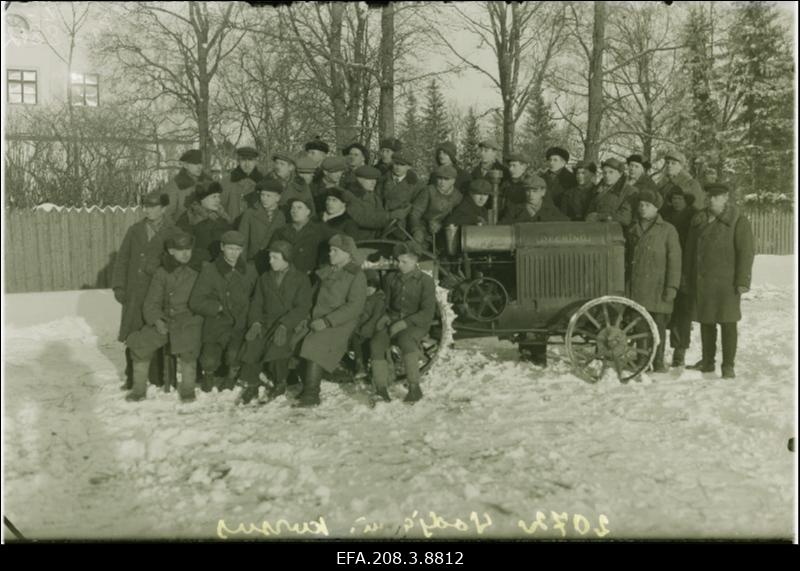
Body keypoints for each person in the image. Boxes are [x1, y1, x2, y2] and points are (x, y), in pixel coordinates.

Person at [682, 183, 754, 378]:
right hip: (703, 280)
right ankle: (707, 362)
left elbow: (746, 253)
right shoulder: (698, 220)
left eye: (716, 196)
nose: (711, 199)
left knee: (728, 323)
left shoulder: (738, 221)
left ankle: (728, 365)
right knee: (706, 321)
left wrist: (742, 281)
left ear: (725, 198)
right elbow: (689, 252)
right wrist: (686, 277)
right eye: (709, 196)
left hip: (726, 283)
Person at [124, 230, 203, 402]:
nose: (185, 254)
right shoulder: (162, 273)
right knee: (139, 345)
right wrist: (157, 320)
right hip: (165, 320)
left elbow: (201, 302)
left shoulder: (196, 272)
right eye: (180, 250)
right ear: (171, 251)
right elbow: (151, 303)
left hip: (187, 321)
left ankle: (188, 389)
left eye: (188, 249)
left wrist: (191, 320)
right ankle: (138, 389)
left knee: (189, 351)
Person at [112, 191, 176, 390]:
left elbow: (177, 262)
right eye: (145, 206)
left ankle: (157, 376)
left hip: (158, 292)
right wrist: (119, 286)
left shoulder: (173, 231)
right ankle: (132, 375)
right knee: (133, 332)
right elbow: (122, 259)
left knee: (157, 330)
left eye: (153, 206)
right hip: (135, 291)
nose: (147, 210)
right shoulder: (135, 230)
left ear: (163, 208)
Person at [296, 234, 367, 407]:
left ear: (347, 253)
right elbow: (312, 298)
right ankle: (306, 384)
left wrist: (327, 321)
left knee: (316, 342)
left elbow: (354, 307)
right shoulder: (328, 270)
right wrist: (305, 317)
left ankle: (312, 394)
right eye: (330, 250)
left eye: (335, 250)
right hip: (318, 317)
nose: (330, 254)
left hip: (341, 321)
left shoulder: (356, 274)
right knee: (295, 338)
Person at [238, 240, 313, 404]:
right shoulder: (265, 278)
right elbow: (257, 303)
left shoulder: (301, 279)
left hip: (290, 322)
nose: (270, 261)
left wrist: (286, 324)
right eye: (270, 257)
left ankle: (280, 383)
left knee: (280, 344)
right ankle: (252, 383)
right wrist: (256, 322)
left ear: (286, 259)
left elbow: (302, 307)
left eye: (275, 258)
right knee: (254, 342)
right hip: (266, 320)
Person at [188, 230, 258, 392]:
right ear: (222, 247)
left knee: (235, 355)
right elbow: (196, 301)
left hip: (240, 322)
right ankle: (208, 375)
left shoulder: (249, 270)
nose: (233, 253)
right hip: (217, 322)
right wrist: (217, 308)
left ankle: (231, 378)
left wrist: (250, 314)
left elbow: (257, 297)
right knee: (209, 359)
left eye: (237, 249)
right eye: (230, 248)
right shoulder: (210, 270)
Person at [370, 242, 436, 403]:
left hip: (417, 323)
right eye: (398, 261)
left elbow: (427, 313)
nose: (399, 265)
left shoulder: (425, 281)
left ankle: (414, 388)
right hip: (392, 320)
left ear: (415, 262)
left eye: (404, 262)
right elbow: (384, 302)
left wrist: (404, 323)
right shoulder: (390, 279)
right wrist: (384, 316)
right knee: (376, 343)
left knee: (406, 340)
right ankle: (381, 390)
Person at [625, 189, 682, 373]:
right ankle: (642, 359)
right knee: (640, 325)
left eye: (647, 205)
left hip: (659, 287)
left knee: (658, 326)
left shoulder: (667, 230)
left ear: (656, 208)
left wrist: (672, 287)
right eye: (641, 205)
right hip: (637, 286)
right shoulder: (632, 229)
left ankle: (657, 361)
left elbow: (675, 261)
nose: (643, 208)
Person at [661, 188, 695, 366]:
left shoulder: (693, 217)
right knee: (667, 310)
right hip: (668, 264)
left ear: (686, 201)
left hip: (686, 267)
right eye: (673, 198)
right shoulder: (665, 216)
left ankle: (679, 351)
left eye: (680, 198)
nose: (676, 201)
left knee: (683, 312)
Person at [271, 198, 334, 275]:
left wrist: (322, 269)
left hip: (309, 278)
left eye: (299, 207)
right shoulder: (280, 231)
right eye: (293, 208)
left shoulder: (320, 230)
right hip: (284, 276)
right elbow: (272, 254)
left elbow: (341, 242)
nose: (295, 211)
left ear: (308, 212)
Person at [177, 181, 234, 264]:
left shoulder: (223, 217)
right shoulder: (189, 217)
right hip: (197, 264)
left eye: (218, 196)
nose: (218, 200)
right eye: (214, 197)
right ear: (202, 199)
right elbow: (183, 247)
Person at [238, 178, 287, 275]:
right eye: (262, 195)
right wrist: (242, 265)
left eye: (268, 195)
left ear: (277, 198)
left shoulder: (281, 216)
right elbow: (242, 240)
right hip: (252, 263)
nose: (264, 198)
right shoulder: (250, 213)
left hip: (272, 265)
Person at [410, 164, 463, 250]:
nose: (442, 182)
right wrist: (416, 229)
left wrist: (441, 225)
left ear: (453, 181)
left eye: (446, 179)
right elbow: (415, 213)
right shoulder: (428, 191)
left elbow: (457, 218)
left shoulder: (458, 197)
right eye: (440, 178)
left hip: (444, 232)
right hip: (424, 229)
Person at [342, 165, 395, 240]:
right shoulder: (349, 195)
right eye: (369, 179)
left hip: (373, 238)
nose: (373, 182)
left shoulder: (374, 197)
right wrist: (389, 216)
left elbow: (380, 213)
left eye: (375, 179)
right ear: (359, 179)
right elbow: (363, 219)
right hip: (356, 240)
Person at [351, 270, 386, 380]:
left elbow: (376, 316)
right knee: (355, 338)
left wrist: (365, 328)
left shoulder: (379, 300)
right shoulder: (361, 299)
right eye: (366, 287)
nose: (368, 290)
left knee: (365, 342)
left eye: (371, 287)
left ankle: (366, 365)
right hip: (360, 326)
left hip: (373, 327)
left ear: (376, 288)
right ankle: (360, 365)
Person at [378, 151, 422, 238]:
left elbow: (415, 208)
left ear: (408, 167)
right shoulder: (383, 180)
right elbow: (377, 198)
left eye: (402, 165)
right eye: (396, 164)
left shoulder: (415, 185)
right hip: (381, 219)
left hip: (401, 224)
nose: (398, 167)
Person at [163, 149, 212, 223]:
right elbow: (167, 217)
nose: (199, 167)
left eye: (200, 163)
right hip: (183, 231)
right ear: (185, 165)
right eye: (195, 163)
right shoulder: (174, 186)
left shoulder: (208, 183)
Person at [585, 158, 636, 227]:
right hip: (595, 230)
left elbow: (625, 219)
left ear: (620, 174)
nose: (607, 175)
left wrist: (599, 216)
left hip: (616, 233)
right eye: (604, 172)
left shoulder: (629, 191)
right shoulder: (598, 189)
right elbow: (589, 213)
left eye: (611, 172)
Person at [220, 146, 264, 225]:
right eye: (243, 160)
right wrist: (228, 221)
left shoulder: (263, 182)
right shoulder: (227, 181)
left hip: (255, 228)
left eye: (250, 160)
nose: (247, 164)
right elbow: (219, 205)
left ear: (255, 162)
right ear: (238, 161)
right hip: (232, 227)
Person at [500, 174, 568, 224]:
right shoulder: (514, 210)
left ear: (543, 192)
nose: (530, 195)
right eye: (528, 191)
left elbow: (566, 225)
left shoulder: (553, 211)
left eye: (534, 191)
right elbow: (502, 228)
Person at [279, 154, 317, 219]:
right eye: (301, 173)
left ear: (312, 175)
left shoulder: (308, 188)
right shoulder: (292, 187)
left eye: (307, 173)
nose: (304, 176)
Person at [541, 146, 577, 213]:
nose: (551, 163)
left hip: (563, 215)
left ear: (563, 162)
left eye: (555, 160)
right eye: (550, 160)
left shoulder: (571, 179)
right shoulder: (541, 178)